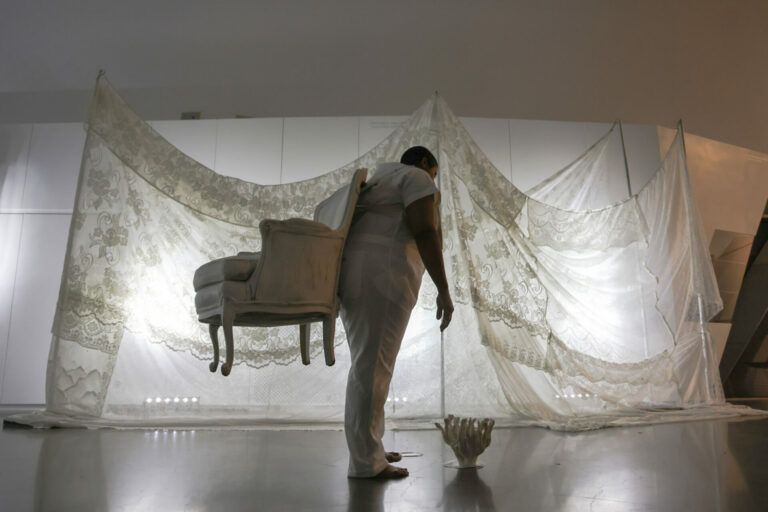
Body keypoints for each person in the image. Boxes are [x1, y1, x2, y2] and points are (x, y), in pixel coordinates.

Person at [339, 146, 454, 479]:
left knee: (367, 367)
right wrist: (444, 290)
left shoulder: (377, 182)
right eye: (434, 174)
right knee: (373, 368)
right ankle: (366, 463)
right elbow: (425, 231)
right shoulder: (415, 176)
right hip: (383, 276)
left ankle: (368, 448)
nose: (433, 182)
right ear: (424, 164)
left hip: (355, 274)